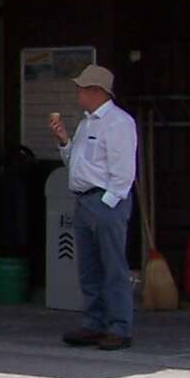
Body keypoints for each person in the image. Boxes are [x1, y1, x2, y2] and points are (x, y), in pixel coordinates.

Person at [50, 64, 138, 350]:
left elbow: (123, 173)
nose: (78, 93)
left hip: (105, 201)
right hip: (85, 199)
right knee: (89, 268)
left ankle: (120, 326)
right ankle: (95, 322)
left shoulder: (119, 123)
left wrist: (107, 204)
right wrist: (65, 141)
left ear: (96, 91)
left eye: (82, 88)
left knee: (113, 267)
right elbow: (76, 163)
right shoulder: (87, 123)